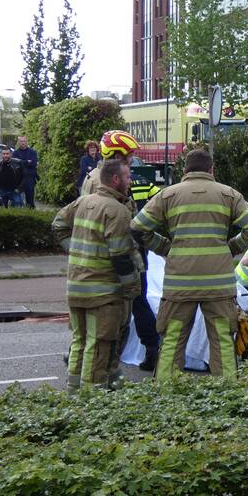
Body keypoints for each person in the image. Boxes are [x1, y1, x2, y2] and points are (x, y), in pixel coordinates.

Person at [131, 149, 248, 380]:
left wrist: (164, 247)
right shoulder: (229, 194)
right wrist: (231, 247)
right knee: (222, 338)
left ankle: (166, 393)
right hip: (218, 283)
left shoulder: (167, 195)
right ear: (211, 169)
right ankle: (229, 390)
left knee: (172, 338)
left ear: (185, 170)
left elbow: (138, 227)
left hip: (179, 282)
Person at [51, 159, 142, 389]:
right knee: (99, 344)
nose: (130, 181)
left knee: (80, 341)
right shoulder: (117, 211)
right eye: (128, 177)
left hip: (76, 286)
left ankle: (73, 391)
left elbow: (58, 224)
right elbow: (121, 257)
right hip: (103, 292)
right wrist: (133, 288)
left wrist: (73, 248)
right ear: (115, 180)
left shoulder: (82, 202)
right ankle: (92, 398)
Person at [84, 130, 163, 371]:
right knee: (133, 302)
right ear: (115, 154)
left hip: (113, 250)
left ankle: (89, 356)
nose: (131, 158)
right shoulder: (108, 180)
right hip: (125, 250)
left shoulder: (97, 177)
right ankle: (149, 351)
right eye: (128, 154)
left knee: (113, 304)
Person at [13, 135, 38, 208]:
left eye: (24, 141)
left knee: (30, 200)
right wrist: (27, 161)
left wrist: (21, 162)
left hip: (30, 178)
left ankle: (31, 213)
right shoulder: (15, 153)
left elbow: (34, 163)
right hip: (19, 179)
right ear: (18, 143)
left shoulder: (32, 152)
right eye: (21, 141)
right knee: (18, 200)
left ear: (27, 142)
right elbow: (15, 164)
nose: (23, 143)